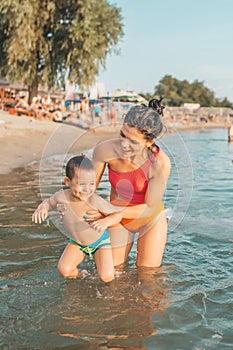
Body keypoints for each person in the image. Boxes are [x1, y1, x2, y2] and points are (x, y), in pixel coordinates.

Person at [85, 98, 171, 268]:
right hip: (117, 219)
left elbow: (150, 208)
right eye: (122, 135)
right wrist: (69, 203)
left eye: (133, 142)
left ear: (149, 142)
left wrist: (108, 211)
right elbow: (86, 190)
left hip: (149, 220)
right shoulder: (105, 149)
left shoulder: (160, 163)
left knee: (148, 277)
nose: (124, 144)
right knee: (113, 273)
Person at [32, 155, 122, 282]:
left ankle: (117, 276)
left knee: (107, 278)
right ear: (68, 182)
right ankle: (84, 275)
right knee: (64, 270)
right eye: (81, 184)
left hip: (99, 242)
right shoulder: (61, 197)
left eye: (92, 183)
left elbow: (118, 214)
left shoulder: (94, 200)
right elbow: (49, 202)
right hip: (77, 243)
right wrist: (43, 207)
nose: (87, 189)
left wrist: (105, 221)